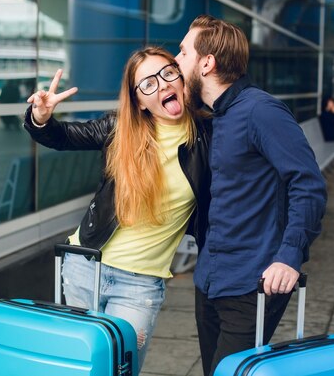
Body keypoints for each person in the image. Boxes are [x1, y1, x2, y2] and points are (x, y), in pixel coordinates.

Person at [23, 47, 210, 370]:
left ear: (181, 79)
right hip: (85, 266)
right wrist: (41, 117)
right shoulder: (120, 129)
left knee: (118, 369)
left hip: (140, 284)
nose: (162, 85)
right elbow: (63, 136)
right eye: (147, 84)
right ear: (138, 100)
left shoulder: (208, 135)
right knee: (79, 368)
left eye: (167, 74)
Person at [175, 15, 327, 376]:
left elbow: (308, 183)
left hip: (252, 283)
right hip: (210, 279)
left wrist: (289, 256)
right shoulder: (210, 116)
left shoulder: (261, 110)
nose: (176, 61)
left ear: (207, 63)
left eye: (183, 53)